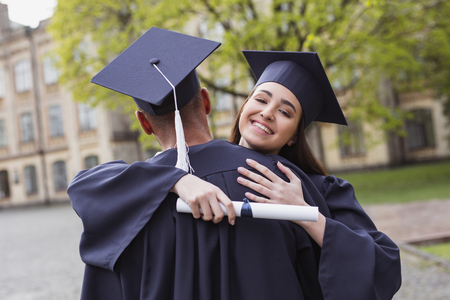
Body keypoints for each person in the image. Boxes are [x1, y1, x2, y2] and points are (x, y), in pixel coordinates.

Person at [68, 28, 401, 299]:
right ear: (208, 101)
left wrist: (305, 213)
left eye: (286, 112)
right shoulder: (298, 183)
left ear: (143, 123)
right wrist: (175, 179)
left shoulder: (124, 203)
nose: (268, 113)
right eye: (261, 99)